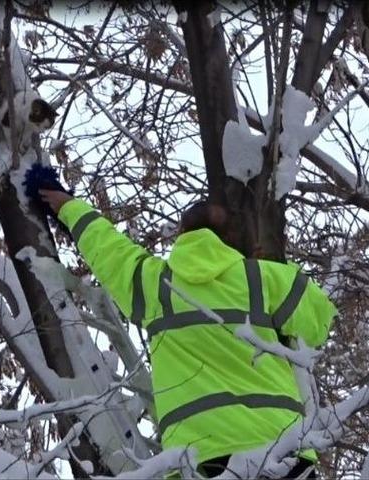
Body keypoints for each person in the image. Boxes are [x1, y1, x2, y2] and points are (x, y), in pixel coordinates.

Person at [36, 185, 337, 479]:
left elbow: (108, 248)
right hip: (280, 447)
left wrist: (67, 206)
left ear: (181, 236)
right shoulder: (264, 279)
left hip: (200, 459)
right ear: (231, 239)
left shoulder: (156, 286)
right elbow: (318, 325)